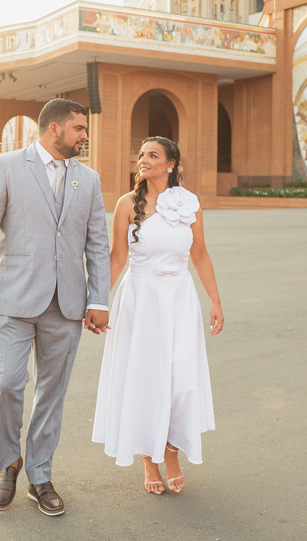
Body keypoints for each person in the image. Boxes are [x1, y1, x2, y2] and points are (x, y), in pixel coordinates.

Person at [0, 98, 111, 517]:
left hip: (67, 304)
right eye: (79, 128)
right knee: (7, 381)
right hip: (13, 299)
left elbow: (97, 243)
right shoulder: (7, 167)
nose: (85, 136)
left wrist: (99, 299)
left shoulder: (89, 179)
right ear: (54, 129)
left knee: (52, 392)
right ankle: (8, 462)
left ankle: (40, 475)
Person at [93, 137, 223, 495]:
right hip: (141, 300)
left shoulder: (189, 204)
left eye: (153, 155)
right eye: (141, 155)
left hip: (180, 299)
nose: (143, 160)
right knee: (146, 379)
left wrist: (214, 300)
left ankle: (171, 452)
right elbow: (117, 258)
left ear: (171, 164)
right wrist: (97, 303)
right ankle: (149, 459)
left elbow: (200, 254)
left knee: (182, 381)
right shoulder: (126, 204)